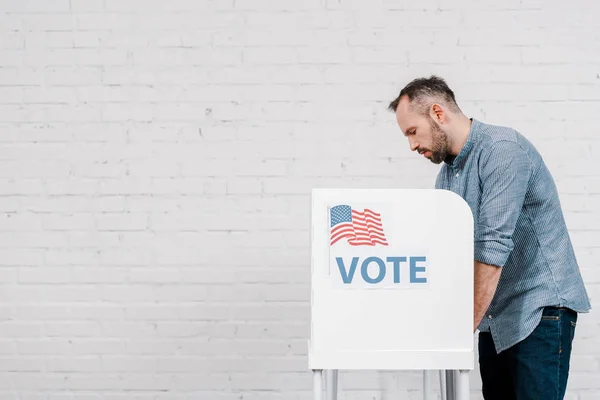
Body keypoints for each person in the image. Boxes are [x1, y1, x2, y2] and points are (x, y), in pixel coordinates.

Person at [387, 75, 591, 400]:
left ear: (438, 113)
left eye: (412, 132)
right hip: (493, 318)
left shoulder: (502, 150)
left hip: (539, 312)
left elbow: (491, 251)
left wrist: (456, 333)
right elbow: (450, 257)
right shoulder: (447, 178)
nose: (412, 145)